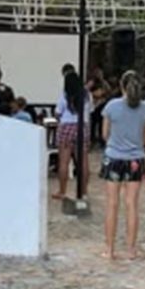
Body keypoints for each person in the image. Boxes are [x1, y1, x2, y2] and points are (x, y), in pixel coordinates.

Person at [100, 71, 145, 260]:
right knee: (132, 205)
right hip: (135, 160)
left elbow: (105, 134)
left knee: (112, 204)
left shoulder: (111, 107)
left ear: (121, 86)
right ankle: (131, 250)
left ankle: (110, 249)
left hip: (113, 158)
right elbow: (144, 137)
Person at [53, 70, 92, 200]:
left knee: (64, 161)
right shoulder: (86, 95)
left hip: (67, 126)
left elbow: (58, 113)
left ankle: (62, 191)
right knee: (83, 161)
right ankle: (84, 192)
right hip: (82, 126)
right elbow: (90, 110)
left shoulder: (64, 96)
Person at [87, 66, 110, 148]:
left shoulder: (104, 83)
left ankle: (101, 141)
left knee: (101, 124)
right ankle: (92, 140)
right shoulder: (91, 83)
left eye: (100, 73)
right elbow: (87, 91)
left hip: (101, 105)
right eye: (97, 73)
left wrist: (102, 95)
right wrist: (94, 94)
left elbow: (108, 92)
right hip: (93, 105)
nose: (99, 75)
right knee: (92, 124)